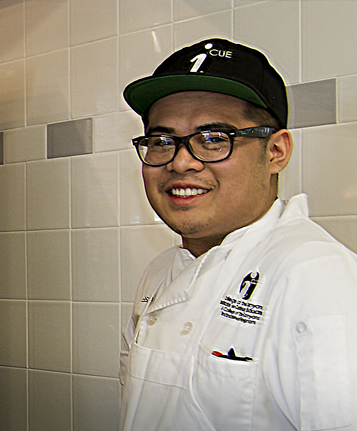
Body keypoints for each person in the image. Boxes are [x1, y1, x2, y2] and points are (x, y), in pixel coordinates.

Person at [119, 38, 357, 430]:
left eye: (214, 139)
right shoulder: (162, 271)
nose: (181, 162)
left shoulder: (314, 276)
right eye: (162, 141)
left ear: (276, 152)